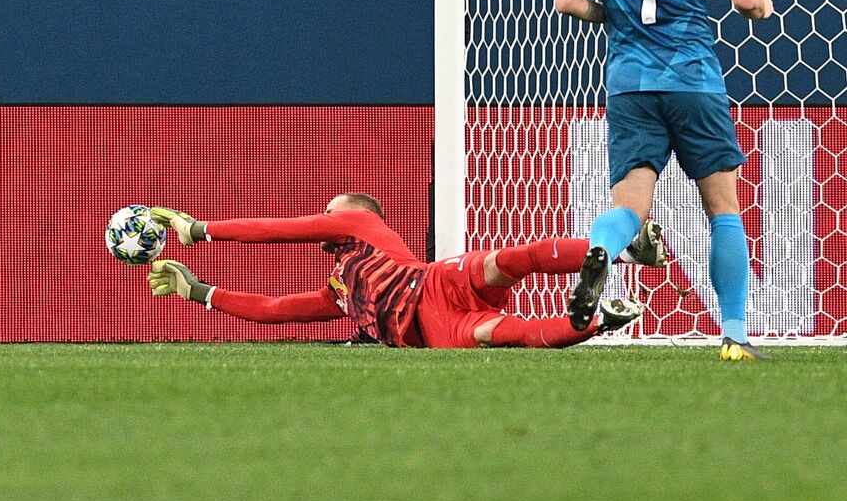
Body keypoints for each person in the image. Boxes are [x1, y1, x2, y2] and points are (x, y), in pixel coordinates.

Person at [554, 0, 775, 361]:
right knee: (723, 209)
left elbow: (566, 0)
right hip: (694, 80)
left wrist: (614, 14)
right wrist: (762, 4)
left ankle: (602, 254)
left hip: (631, 84)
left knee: (631, 209)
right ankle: (735, 336)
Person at [145, 195, 667, 349]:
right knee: (505, 333)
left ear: (357, 212)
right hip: (430, 329)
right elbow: (278, 310)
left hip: (433, 285)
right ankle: (598, 318)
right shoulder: (341, 290)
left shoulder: (361, 226)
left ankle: (620, 252)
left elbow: (278, 228)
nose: (324, 217)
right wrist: (198, 291)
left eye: (332, 210)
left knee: (507, 261)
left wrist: (203, 230)